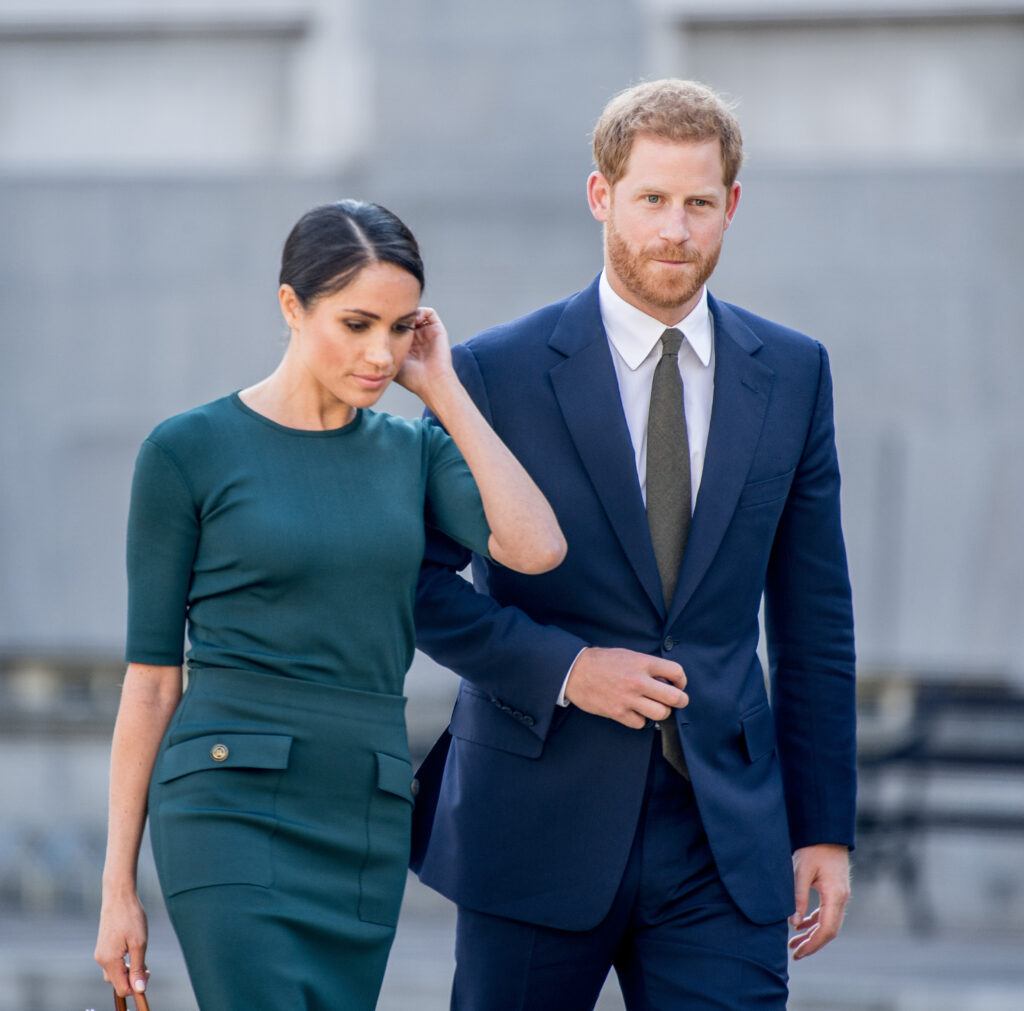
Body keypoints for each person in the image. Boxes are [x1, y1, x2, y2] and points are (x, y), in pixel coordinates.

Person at [411, 79, 856, 1009]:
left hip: (721, 837)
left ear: (731, 205)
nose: (675, 230)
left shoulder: (796, 373)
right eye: (651, 199)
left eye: (699, 203)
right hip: (533, 821)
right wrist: (569, 668)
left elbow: (815, 619)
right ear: (600, 196)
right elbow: (421, 585)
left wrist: (825, 828)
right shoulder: (494, 371)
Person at [93, 199, 566, 1010]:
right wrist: (117, 887)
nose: (380, 353)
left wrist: (443, 390)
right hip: (225, 798)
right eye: (356, 324)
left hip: (363, 808)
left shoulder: (412, 451)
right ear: (291, 306)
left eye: (398, 327)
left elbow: (536, 548)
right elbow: (152, 682)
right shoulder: (187, 452)